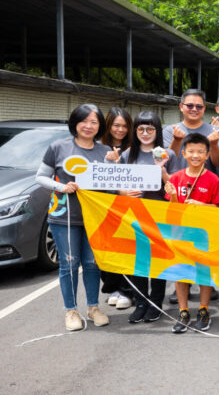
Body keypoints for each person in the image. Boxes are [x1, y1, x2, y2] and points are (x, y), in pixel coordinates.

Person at [36, 104, 116, 330]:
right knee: (69, 263)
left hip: (94, 217)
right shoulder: (58, 147)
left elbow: (111, 184)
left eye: (94, 122)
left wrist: (113, 162)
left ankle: (93, 307)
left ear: (100, 126)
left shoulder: (106, 151)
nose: (89, 126)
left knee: (92, 263)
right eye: (84, 121)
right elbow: (40, 177)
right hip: (64, 216)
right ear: (75, 122)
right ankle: (71, 310)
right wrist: (61, 187)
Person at [164, 133, 219, 333]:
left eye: (200, 152)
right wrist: (173, 195)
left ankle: (203, 309)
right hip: (180, 233)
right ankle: (183, 311)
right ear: (183, 153)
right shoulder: (176, 177)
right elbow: (171, 208)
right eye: (191, 151)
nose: (196, 155)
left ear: (207, 155)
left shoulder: (213, 179)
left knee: (203, 273)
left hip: (205, 234)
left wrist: (201, 205)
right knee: (181, 273)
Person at [119, 111, 176, 323]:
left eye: (150, 129)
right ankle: (140, 301)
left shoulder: (168, 153)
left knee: (157, 261)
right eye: (141, 129)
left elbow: (175, 188)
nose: (145, 133)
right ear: (135, 131)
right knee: (138, 261)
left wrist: (161, 172)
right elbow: (118, 186)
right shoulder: (127, 156)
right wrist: (124, 192)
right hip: (134, 214)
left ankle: (155, 302)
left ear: (157, 131)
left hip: (159, 214)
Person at [100, 107, 134, 310]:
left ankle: (127, 291)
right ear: (108, 126)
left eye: (124, 126)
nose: (120, 130)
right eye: (116, 125)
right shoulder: (98, 147)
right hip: (103, 208)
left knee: (128, 249)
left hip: (129, 209)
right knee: (107, 249)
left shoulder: (134, 149)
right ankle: (113, 288)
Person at [163, 88, 219, 171]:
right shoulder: (169, 131)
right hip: (178, 182)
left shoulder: (215, 132)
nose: (194, 109)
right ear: (181, 107)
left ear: (204, 109)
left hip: (205, 182)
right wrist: (176, 140)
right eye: (189, 106)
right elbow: (166, 162)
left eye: (199, 106)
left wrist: (214, 144)